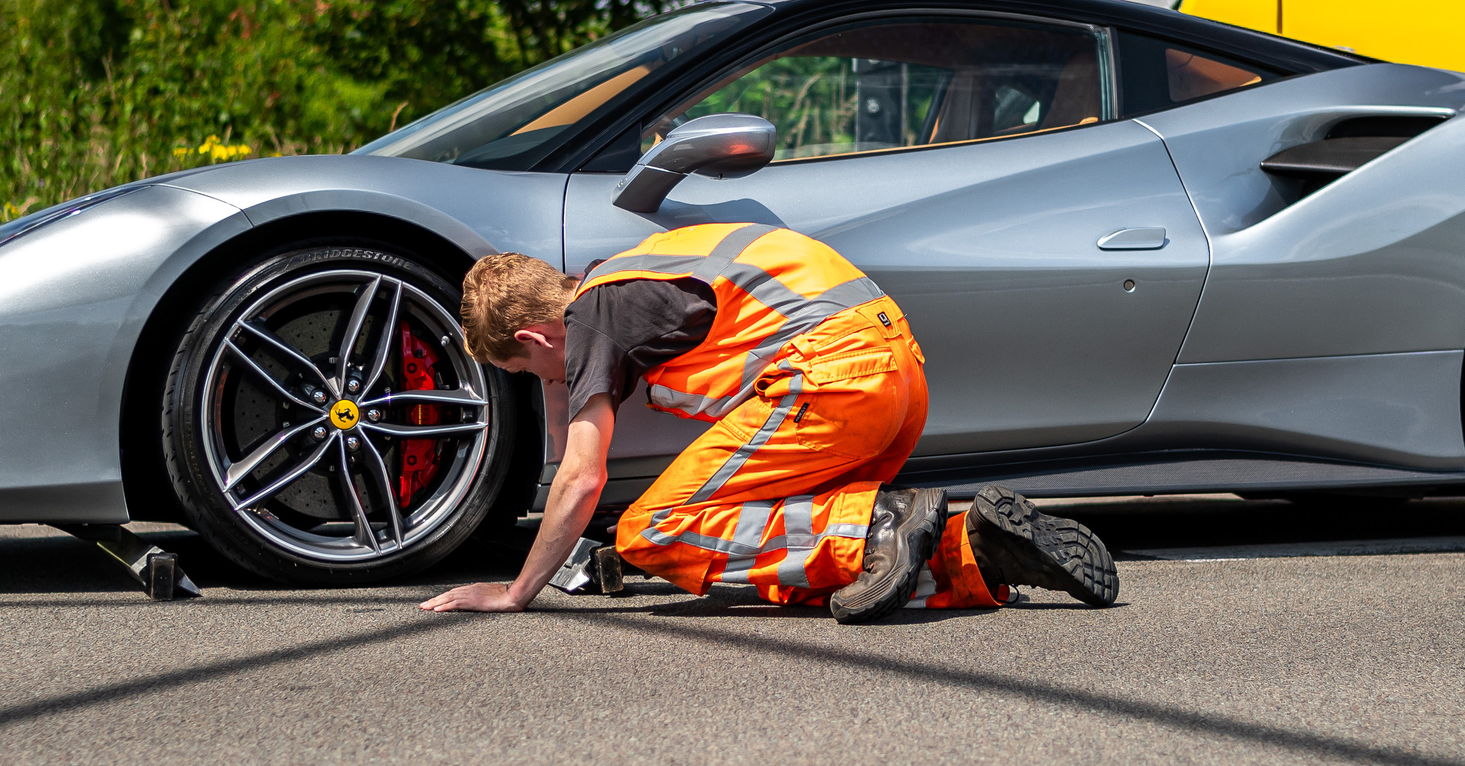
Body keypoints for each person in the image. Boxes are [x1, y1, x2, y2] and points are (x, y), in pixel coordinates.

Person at [420, 222, 1118, 622]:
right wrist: (555, 389)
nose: (543, 383)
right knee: (796, 539)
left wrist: (515, 591)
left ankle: (876, 521)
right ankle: (977, 549)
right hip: (897, 374)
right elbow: (566, 452)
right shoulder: (627, 275)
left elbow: (582, 474)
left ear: (538, 339)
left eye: (526, 372)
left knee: (652, 528)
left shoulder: (592, 318)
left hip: (831, 378)